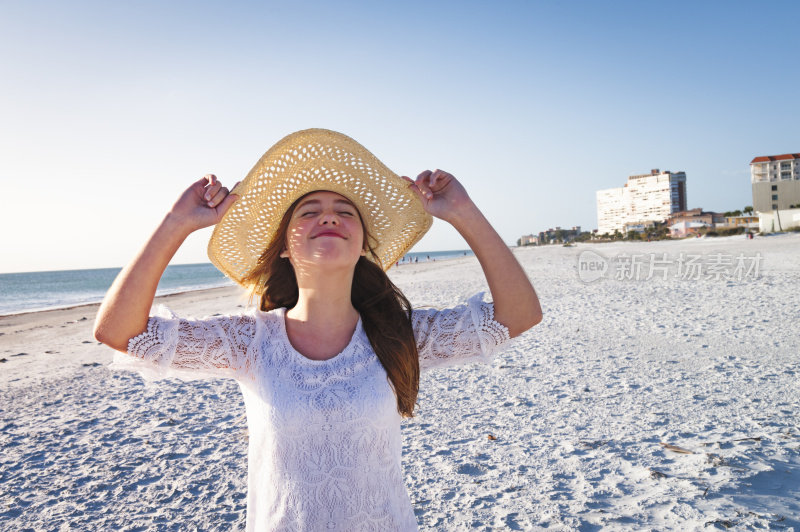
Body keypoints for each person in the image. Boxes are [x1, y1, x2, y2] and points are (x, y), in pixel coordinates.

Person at [93, 129, 542, 531]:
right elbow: (120, 332)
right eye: (309, 211)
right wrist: (176, 223)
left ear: (364, 243)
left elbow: (518, 315)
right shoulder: (249, 342)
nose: (329, 217)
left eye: (345, 211)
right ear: (285, 246)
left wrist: (463, 211)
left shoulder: (402, 333)